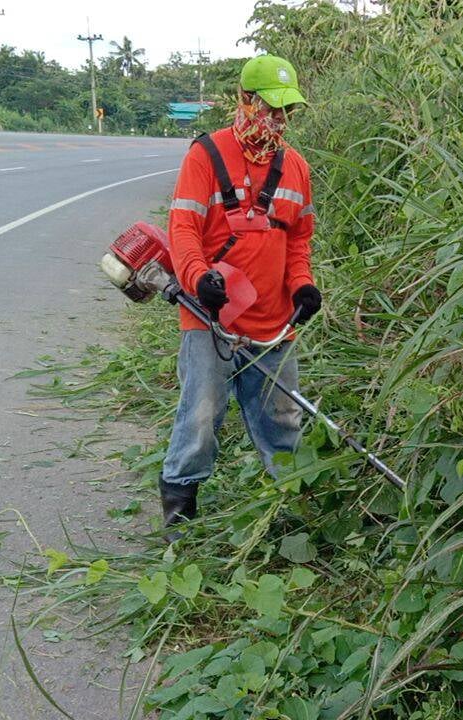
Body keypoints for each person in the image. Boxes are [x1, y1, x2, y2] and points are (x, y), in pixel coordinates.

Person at [158, 55, 321, 534]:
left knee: (283, 417)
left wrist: (302, 285)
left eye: (287, 110)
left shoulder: (296, 168)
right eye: (270, 108)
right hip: (209, 314)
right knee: (201, 413)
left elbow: (299, 240)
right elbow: (183, 228)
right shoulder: (204, 156)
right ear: (245, 100)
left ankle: (291, 513)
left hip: (274, 322)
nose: (279, 120)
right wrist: (197, 277)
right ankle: (180, 511)